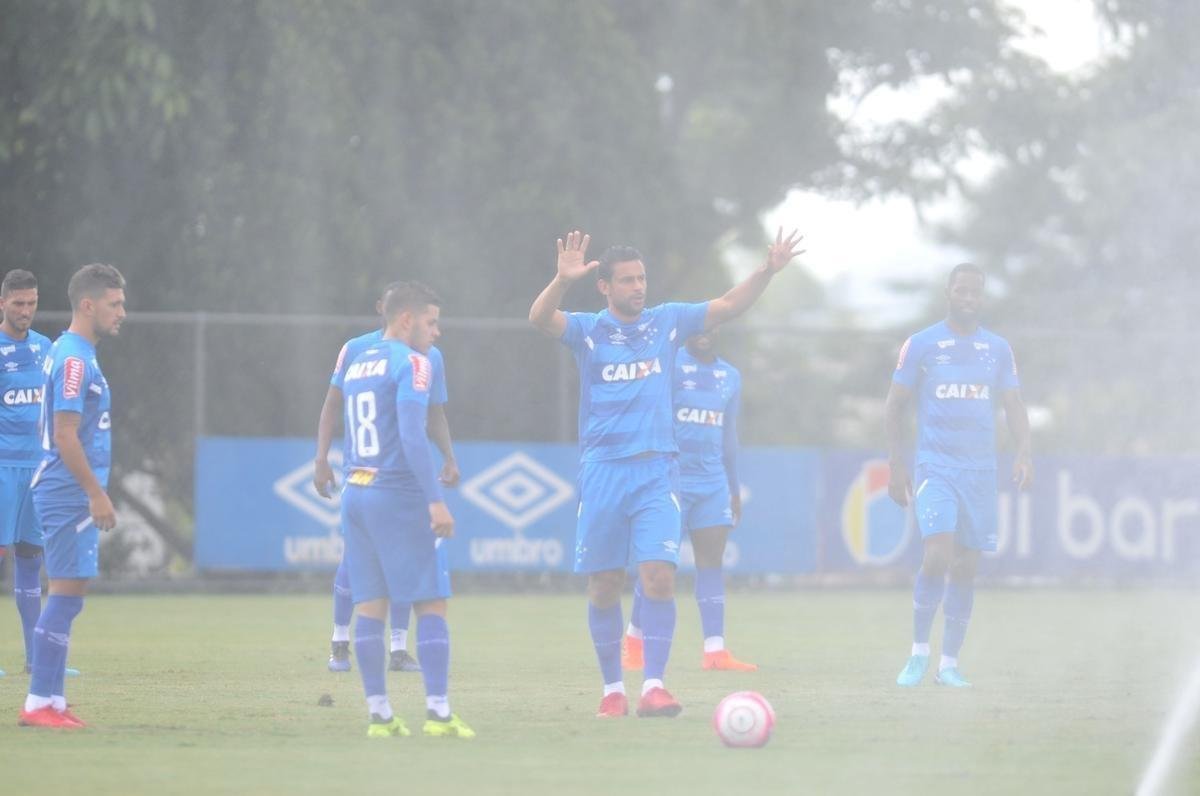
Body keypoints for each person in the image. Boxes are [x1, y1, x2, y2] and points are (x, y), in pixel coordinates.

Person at [528, 228, 803, 718]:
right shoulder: (588, 330)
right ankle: (613, 690)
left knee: (657, 576)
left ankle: (654, 686)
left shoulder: (667, 322)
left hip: (657, 472)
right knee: (605, 585)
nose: (638, 286)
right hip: (604, 472)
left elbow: (727, 306)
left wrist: (767, 270)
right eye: (628, 280)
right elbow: (539, 319)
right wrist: (560, 280)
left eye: (642, 278)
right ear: (605, 287)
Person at [886, 263, 1033, 688]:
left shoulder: (998, 349)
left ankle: (949, 663)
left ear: (982, 298)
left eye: (976, 292)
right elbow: (894, 406)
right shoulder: (923, 344)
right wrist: (895, 465)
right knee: (937, 553)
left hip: (981, 473)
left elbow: (1014, 405)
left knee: (967, 567)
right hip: (936, 466)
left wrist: (1025, 452)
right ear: (948, 292)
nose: (969, 298)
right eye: (962, 290)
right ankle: (918, 654)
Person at [339, 281, 473, 739]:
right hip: (397, 494)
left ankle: (379, 715)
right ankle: (438, 714)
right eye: (431, 322)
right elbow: (413, 434)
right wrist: (435, 501)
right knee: (431, 600)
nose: (436, 333)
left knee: (371, 606)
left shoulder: (360, 362)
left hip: (356, 489)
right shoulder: (412, 363)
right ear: (405, 319)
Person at [313, 282, 459, 674]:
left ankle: (395, 651)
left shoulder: (429, 356)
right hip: (378, 476)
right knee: (363, 564)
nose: (434, 330)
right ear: (395, 313)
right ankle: (340, 639)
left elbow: (434, 414)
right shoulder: (358, 349)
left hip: (382, 483)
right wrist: (321, 457)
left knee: (398, 566)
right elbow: (333, 404)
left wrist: (448, 455)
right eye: (429, 321)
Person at [20, 263, 126, 728]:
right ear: (88, 304)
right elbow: (65, 435)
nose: (122, 312)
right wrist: (95, 493)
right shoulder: (75, 358)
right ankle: (39, 702)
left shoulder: (74, 351)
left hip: (67, 489)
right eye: (115, 303)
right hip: (66, 490)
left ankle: (54, 701)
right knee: (64, 595)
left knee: (70, 594)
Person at [623, 328, 756, 672]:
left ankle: (715, 651)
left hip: (712, 481)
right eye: (698, 326)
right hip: (670, 477)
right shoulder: (669, 366)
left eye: (713, 326)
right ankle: (633, 641)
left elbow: (729, 438)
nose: (704, 333)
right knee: (659, 564)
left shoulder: (730, 376)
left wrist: (733, 486)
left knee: (711, 562)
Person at [0, 270, 53, 678]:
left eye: (31, 303)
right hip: (2, 468)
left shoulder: (44, 348)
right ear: (3, 303)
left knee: (31, 557)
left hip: (36, 468)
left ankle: (36, 659)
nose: (25, 311)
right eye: (18, 303)